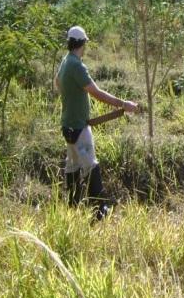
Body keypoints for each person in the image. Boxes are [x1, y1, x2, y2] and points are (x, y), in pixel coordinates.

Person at [54, 25, 138, 220]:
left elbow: (58, 83)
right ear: (83, 44)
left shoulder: (65, 62)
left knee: (73, 167)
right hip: (79, 127)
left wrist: (71, 97)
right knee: (91, 166)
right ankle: (100, 210)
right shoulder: (76, 65)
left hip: (67, 126)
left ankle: (72, 207)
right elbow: (97, 93)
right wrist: (123, 104)